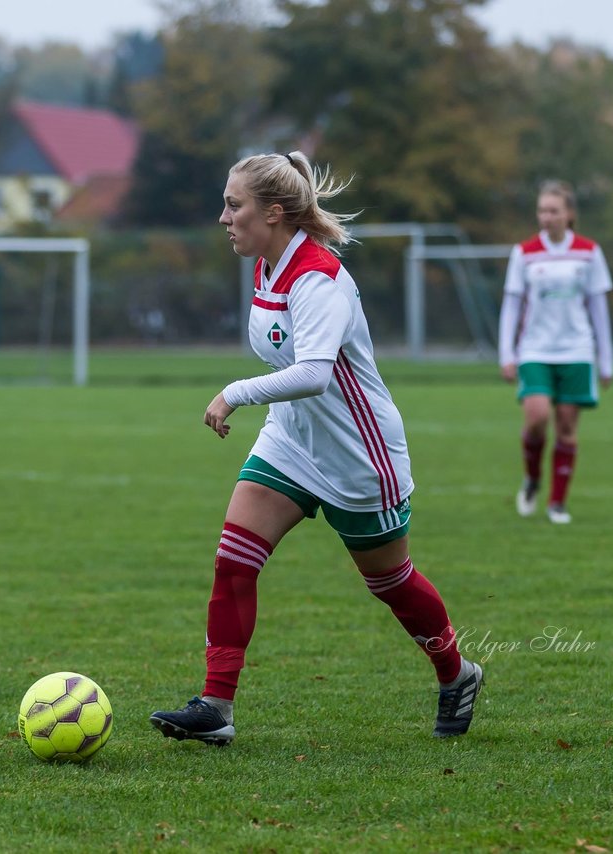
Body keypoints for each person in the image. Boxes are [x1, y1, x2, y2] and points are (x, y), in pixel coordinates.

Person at [148, 152, 483, 746]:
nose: (223, 217)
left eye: (234, 205)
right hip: (291, 443)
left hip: (360, 452)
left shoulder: (316, 276)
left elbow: (315, 373)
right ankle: (216, 706)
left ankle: (457, 673)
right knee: (234, 562)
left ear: (274, 213)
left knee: (390, 582)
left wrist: (233, 393)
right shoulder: (265, 265)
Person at [498, 180, 613, 525]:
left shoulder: (589, 252)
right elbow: (511, 306)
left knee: (566, 426)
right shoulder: (525, 253)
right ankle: (532, 478)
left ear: (570, 214)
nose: (546, 217)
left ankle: (557, 503)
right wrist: (507, 353)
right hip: (535, 349)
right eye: (542, 210)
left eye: (553, 210)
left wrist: (605, 360)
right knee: (537, 419)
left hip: (577, 350)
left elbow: (598, 310)